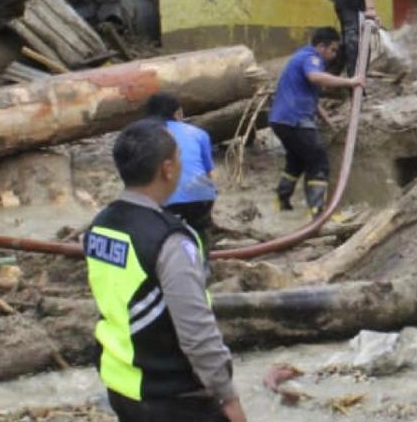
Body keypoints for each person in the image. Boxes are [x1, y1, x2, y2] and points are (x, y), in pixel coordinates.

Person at [84, 119, 246, 422]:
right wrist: (228, 398)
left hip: (122, 386)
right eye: (180, 158)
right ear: (167, 169)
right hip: (173, 397)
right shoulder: (171, 241)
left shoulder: (101, 225)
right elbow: (196, 331)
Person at [268, 27, 363, 215]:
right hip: (294, 119)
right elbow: (315, 78)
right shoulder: (312, 58)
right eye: (333, 50)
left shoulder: (300, 57)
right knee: (318, 161)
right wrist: (350, 82)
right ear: (321, 47)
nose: (335, 55)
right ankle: (318, 211)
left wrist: (324, 117)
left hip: (281, 120)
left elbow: (307, 93)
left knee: (296, 160)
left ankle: (281, 201)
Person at [145, 93, 216, 246]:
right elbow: (209, 173)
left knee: (164, 235)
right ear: (178, 113)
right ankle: (202, 260)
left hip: (166, 199)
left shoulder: (147, 135)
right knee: (199, 230)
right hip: (201, 196)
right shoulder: (198, 133)